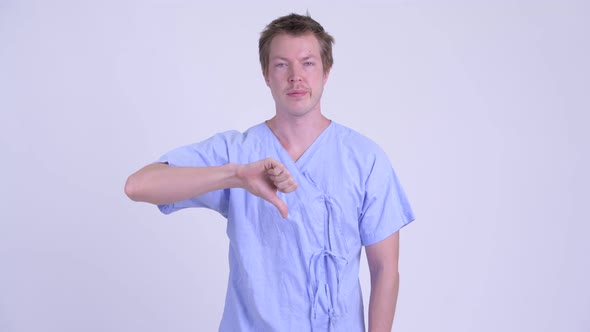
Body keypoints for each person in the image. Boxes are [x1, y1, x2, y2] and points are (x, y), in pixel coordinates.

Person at [125, 13, 414, 332]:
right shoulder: (238, 153)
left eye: (307, 63)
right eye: (281, 64)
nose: (295, 77)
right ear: (266, 74)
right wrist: (234, 176)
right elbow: (139, 186)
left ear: (326, 70)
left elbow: (385, 268)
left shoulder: (364, 158)